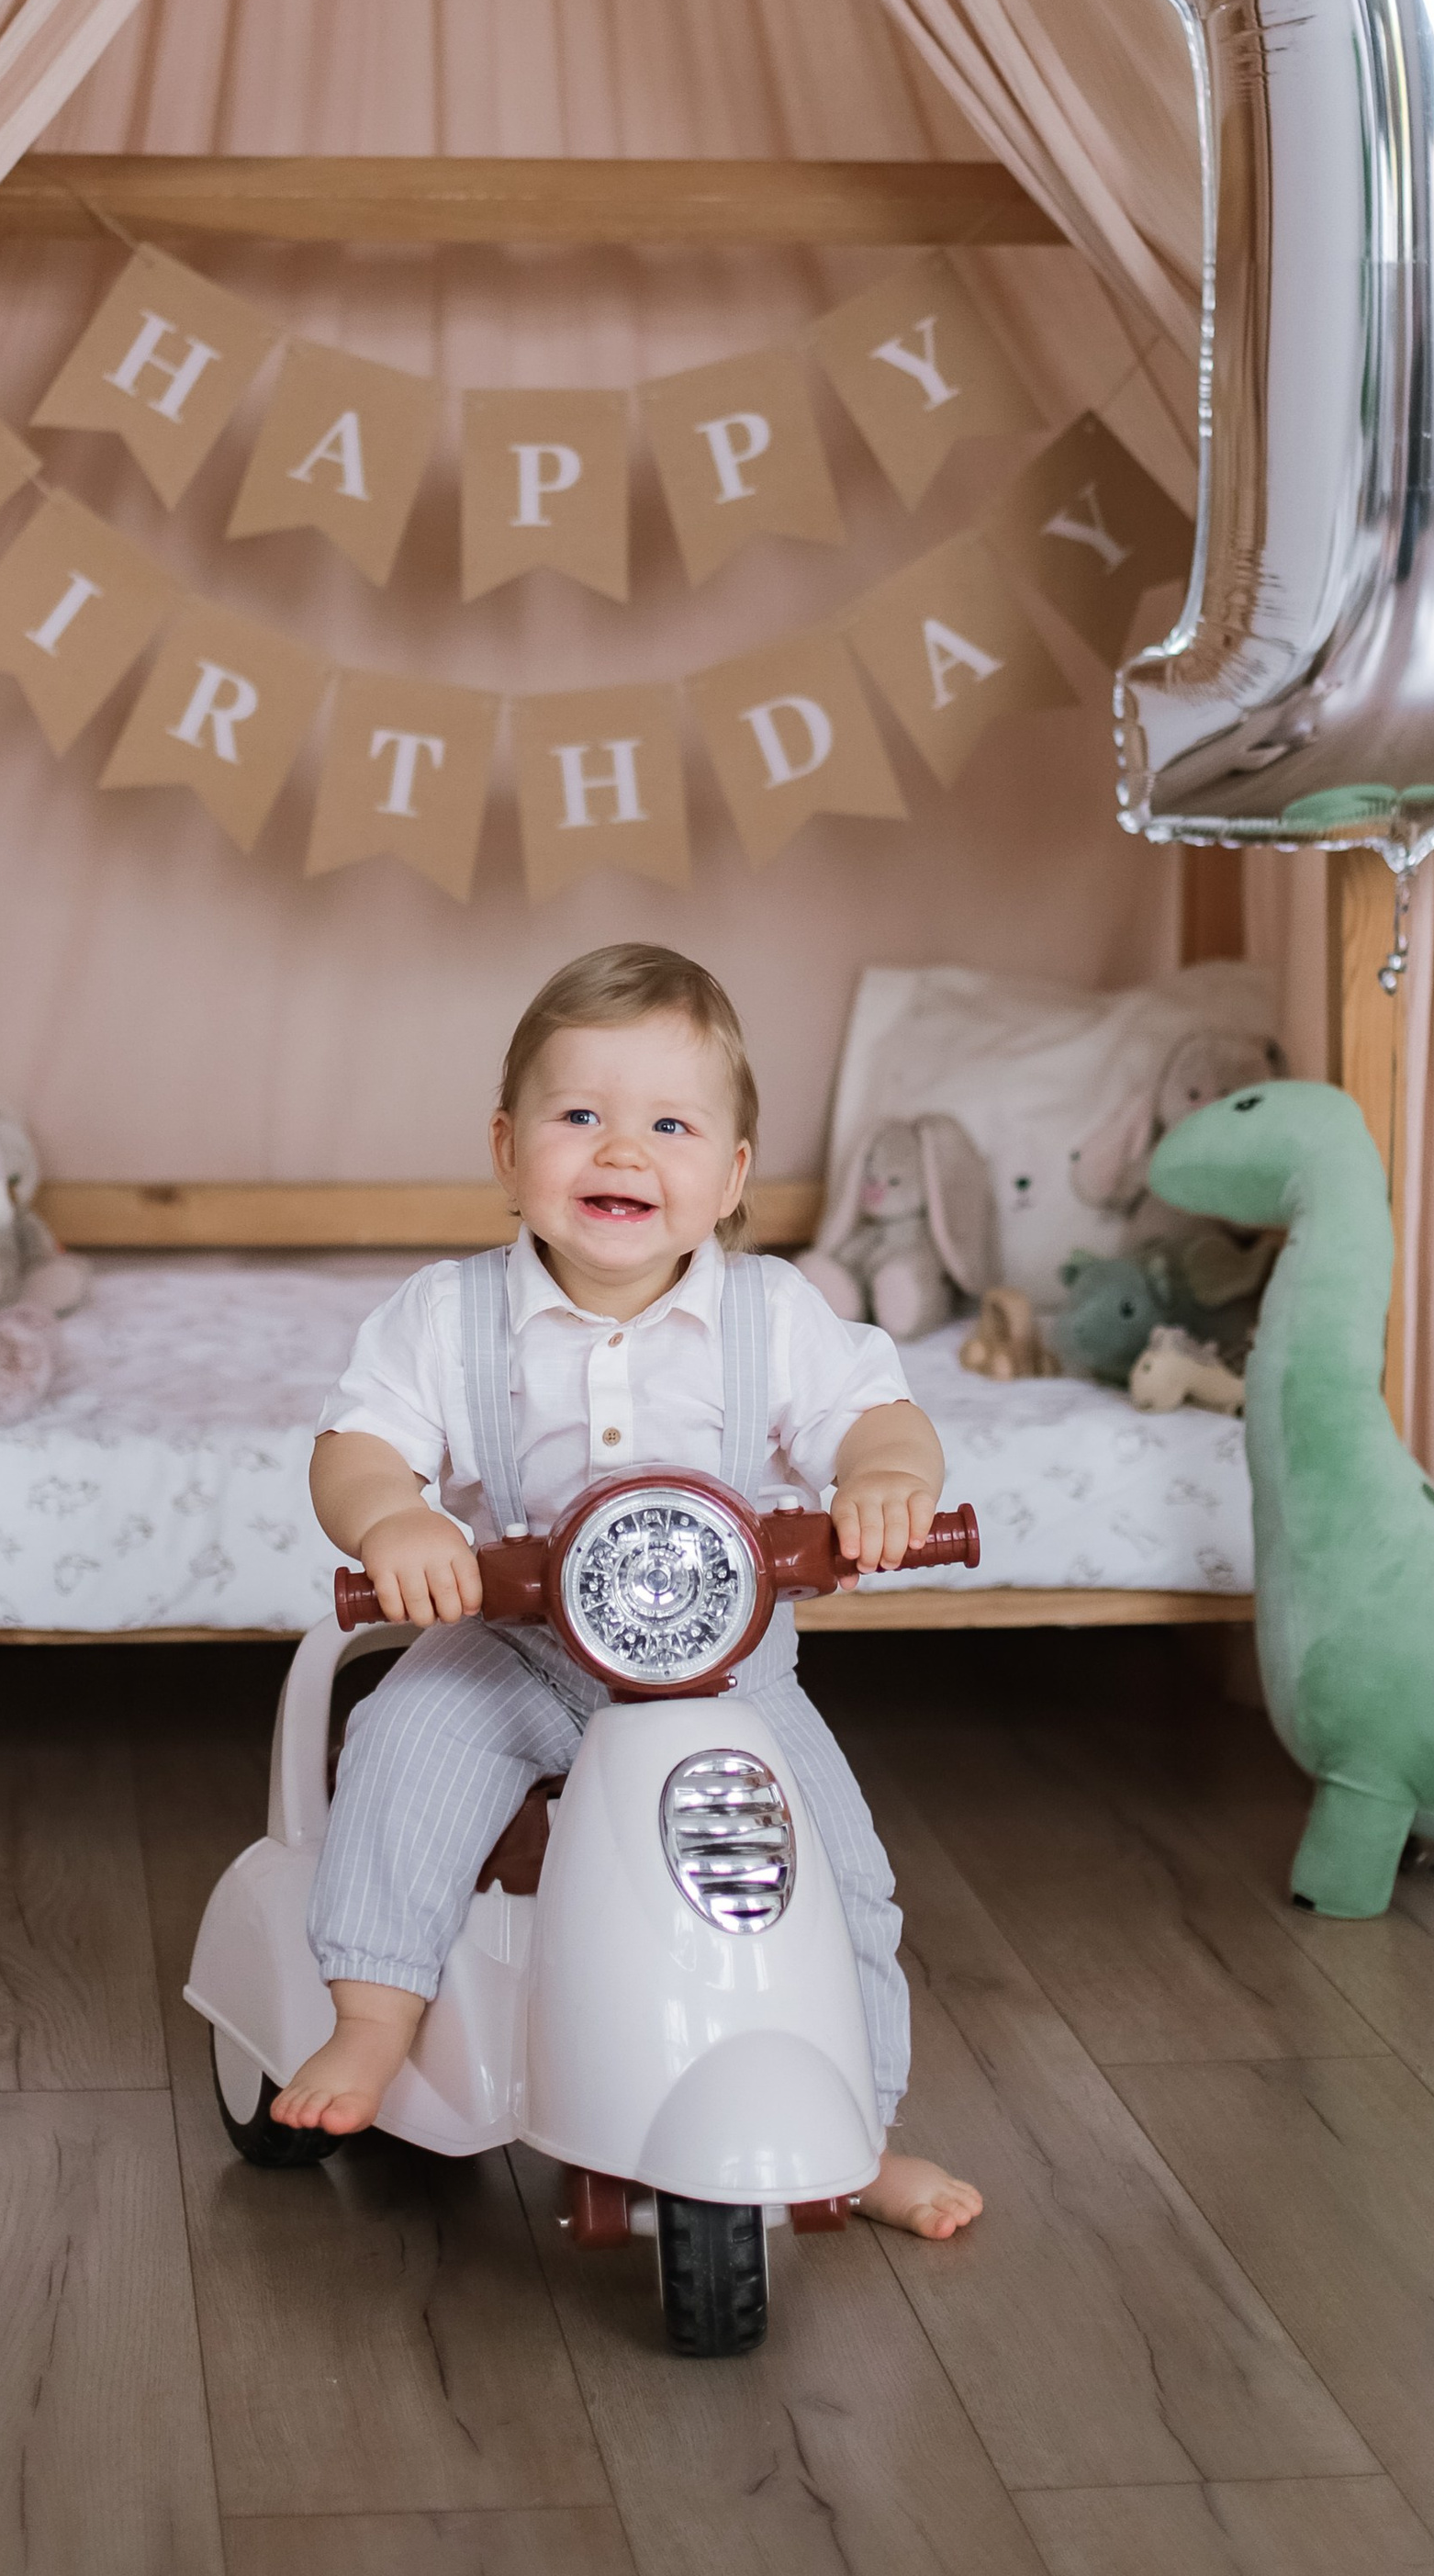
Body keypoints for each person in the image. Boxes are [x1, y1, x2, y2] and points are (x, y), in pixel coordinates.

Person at [274, 940, 982, 2239]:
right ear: (506, 1150)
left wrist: (886, 1484)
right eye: (579, 1116)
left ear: (730, 1174)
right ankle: (373, 2021)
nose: (621, 1151)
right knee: (402, 1744)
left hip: (730, 1667)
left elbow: (877, 1421)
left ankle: (851, 2131)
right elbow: (357, 1444)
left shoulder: (778, 1315)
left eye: (669, 1124)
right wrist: (394, 1516)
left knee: (836, 1875)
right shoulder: (446, 1315)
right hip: (514, 1648)